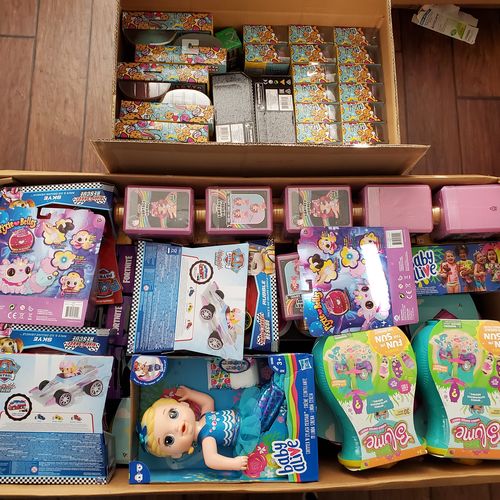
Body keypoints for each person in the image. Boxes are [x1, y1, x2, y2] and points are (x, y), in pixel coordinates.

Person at [138, 385, 262, 471]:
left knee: (263, 403)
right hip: (244, 434)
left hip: (244, 413)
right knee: (265, 424)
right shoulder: (206, 439)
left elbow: (208, 401)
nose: (176, 427)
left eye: (173, 414)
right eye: (169, 440)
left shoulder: (205, 416)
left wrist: (190, 394)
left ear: (183, 404)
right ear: (176, 454)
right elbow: (211, 460)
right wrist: (234, 463)